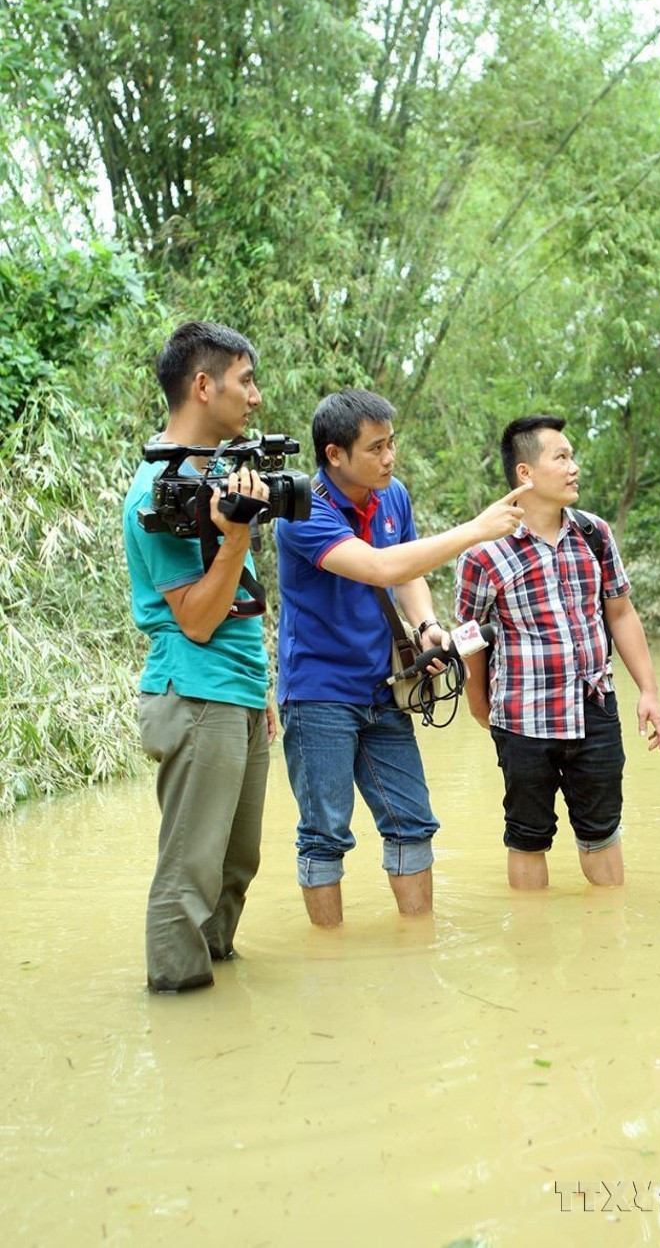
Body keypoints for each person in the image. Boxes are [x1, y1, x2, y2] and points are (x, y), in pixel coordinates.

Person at [275, 388, 531, 928]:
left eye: (392, 443)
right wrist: (476, 530)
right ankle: (329, 955)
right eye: (376, 448)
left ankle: (418, 948)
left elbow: (409, 574)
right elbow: (378, 568)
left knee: (411, 821)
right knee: (325, 833)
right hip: (318, 692)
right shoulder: (300, 512)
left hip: (384, 684)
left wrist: (428, 626)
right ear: (334, 455)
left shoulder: (393, 495)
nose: (390, 457)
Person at [123, 321, 275, 993]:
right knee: (190, 873)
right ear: (203, 385)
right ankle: (179, 1006)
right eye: (246, 380)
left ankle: (217, 993)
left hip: (238, 692)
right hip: (195, 692)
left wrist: (262, 687)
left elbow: (239, 601)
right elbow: (198, 618)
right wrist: (237, 535)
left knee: (236, 865)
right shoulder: (155, 494)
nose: (256, 397)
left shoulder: (216, 475)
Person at [455, 415, 660, 890]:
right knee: (527, 836)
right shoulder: (482, 552)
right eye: (562, 457)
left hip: (594, 708)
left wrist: (648, 690)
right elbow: (470, 635)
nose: (575, 468)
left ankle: (610, 939)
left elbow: (621, 613)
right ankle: (531, 948)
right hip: (523, 717)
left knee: (602, 830)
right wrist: (478, 703)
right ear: (526, 473)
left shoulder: (595, 534)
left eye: (572, 457)